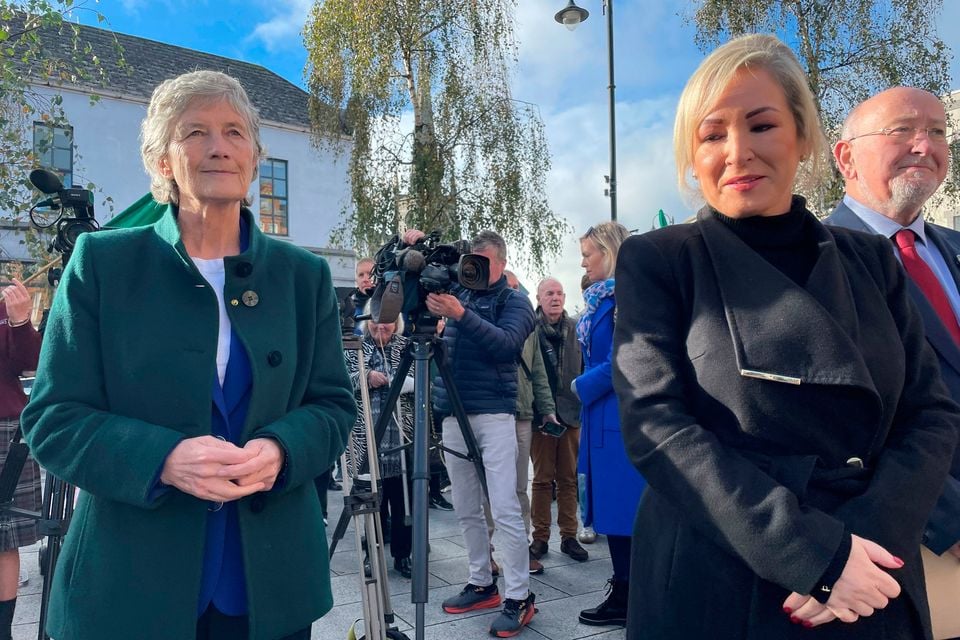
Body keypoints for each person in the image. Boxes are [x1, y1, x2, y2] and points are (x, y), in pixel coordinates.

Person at [613, 34, 959, 639]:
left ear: (802, 136)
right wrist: (815, 555)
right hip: (728, 572)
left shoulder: (870, 260)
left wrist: (866, 543)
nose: (738, 151)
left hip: (872, 572)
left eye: (762, 125)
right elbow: (657, 426)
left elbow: (929, 412)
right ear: (692, 154)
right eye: (712, 134)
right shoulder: (661, 260)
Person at [20, 70, 356, 640]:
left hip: (268, 586)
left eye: (234, 132)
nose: (219, 147)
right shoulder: (102, 263)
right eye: (195, 132)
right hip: (131, 584)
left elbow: (333, 407)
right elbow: (53, 419)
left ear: (253, 159)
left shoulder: (304, 276)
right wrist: (163, 459)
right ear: (162, 161)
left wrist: (282, 449)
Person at [824, 89, 960, 583]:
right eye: (901, 130)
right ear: (846, 157)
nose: (924, 145)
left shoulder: (954, 247)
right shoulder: (814, 262)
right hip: (915, 545)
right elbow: (846, 419)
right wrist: (950, 520)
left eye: (937, 131)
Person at [404, 228, 537, 637]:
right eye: (469, 261)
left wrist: (462, 315)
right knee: (465, 506)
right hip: (452, 411)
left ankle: (519, 595)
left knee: (504, 507)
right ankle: (481, 582)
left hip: (495, 413)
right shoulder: (456, 291)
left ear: (501, 263)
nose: (472, 269)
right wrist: (414, 253)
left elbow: (506, 345)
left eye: (482, 263)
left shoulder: (515, 301)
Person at [573, 221, 642, 628]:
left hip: (616, 417)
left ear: (609, 251)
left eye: (588, 254)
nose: (583, 262)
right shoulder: (603, 298)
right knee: (614, 512)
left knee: (622, 511)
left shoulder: (625, 298)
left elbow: (623, 358)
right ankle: (625, 589)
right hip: (602, 417)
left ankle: (628, 594)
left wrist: (581, 385)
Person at [485, 271, 557, 576]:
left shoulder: (528, 326)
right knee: (488, 489)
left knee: (517, 487)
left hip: (521, 414)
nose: (512, 293)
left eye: (516, 289)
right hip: (490, 411)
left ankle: (521, 550)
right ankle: (486, 553)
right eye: (507, 288)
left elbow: (537, 370)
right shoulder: (483, 320)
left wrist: (547, 409)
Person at [344, 315, 415, 578]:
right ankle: (371, 554)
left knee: (402, 499)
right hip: (365, 438)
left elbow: (421, 381)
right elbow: (341, 381)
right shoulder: (355, 347)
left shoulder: (406, 346)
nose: (381, 326)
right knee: (371, 500)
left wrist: (398, 382)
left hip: (401, 438)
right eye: (375, 320)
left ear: (397, 324)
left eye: (387, 321)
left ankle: (402, 554)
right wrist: (365, 377)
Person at [529, 277, 585, 568]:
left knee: (568, 478)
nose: (556, 297)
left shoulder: (576, 328)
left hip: (571, 414)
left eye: (560, 293)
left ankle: (569, 536)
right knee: (541, 479)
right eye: (549, 293)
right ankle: (540, 536)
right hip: (541, 416)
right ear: (539, 298)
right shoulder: (530, 329)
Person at [0, 279, 41, 640]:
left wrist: (20, 321)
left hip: (4, 427)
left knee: (4, 537)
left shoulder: (5, 305)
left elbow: (32, 365)